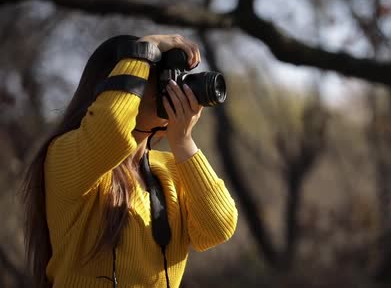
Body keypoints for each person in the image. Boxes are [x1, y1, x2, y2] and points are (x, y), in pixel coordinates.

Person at [22, 34, 238, 287]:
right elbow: (111, 130)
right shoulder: (65, 154)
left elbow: (218, 227)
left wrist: (183, 142)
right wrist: (144, 49)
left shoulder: (171, 168)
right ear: (110, 88)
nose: (169, 86)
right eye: (153, 75)